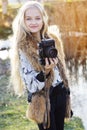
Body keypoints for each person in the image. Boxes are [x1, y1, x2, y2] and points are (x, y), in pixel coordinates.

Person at [10, 1, 72, 130]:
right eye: (29, 18)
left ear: (43, 19)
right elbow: (32, 86)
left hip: (60, 94)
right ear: (23, 21)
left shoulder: (53, 39)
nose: (34, 22)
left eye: (37, 18)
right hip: (42, 100)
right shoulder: (23, 47)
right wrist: (46, 71)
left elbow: (62, 72)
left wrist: (66, 92)